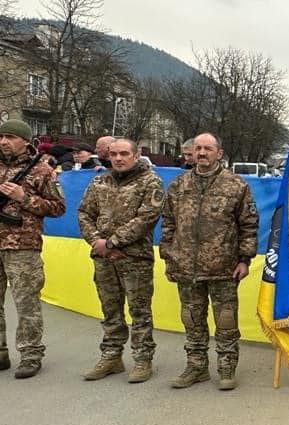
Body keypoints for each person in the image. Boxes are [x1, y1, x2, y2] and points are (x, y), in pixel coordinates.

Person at [160, 132, 258, 391]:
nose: (201, 153)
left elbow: (248, 225)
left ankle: (226, 368)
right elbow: (168, 223)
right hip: (186, 267)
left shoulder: (236, 186)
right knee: (192, 319)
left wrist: (244, 259)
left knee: (226, 321)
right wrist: (168, 257)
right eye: (197, 149)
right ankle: (196, 366)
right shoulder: (179, 185)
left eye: (207, 149)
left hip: (223, 268)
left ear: (219, 153)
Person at [78, 138, 164, 383]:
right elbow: (84, 213)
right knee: (110, 310)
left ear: (136, 156)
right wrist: (98, 242)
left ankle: (142, 359)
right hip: (103, 258)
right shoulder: (99, 181)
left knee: (139, 312)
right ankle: (112, 356)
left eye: (124, 153)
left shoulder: (150, 182)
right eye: (114, 154)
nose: (118, 158)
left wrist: (113, 243)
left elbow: (147, 218)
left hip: (134, 258)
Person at [0, 119, 66, 377]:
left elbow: (58, 208)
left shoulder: (41, 170)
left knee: (26, 303)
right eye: (2, 136)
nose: (4, 141)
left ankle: (30, 354)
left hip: (23, 247)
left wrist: (23, 198)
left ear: (25, 141)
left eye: (11, 137)